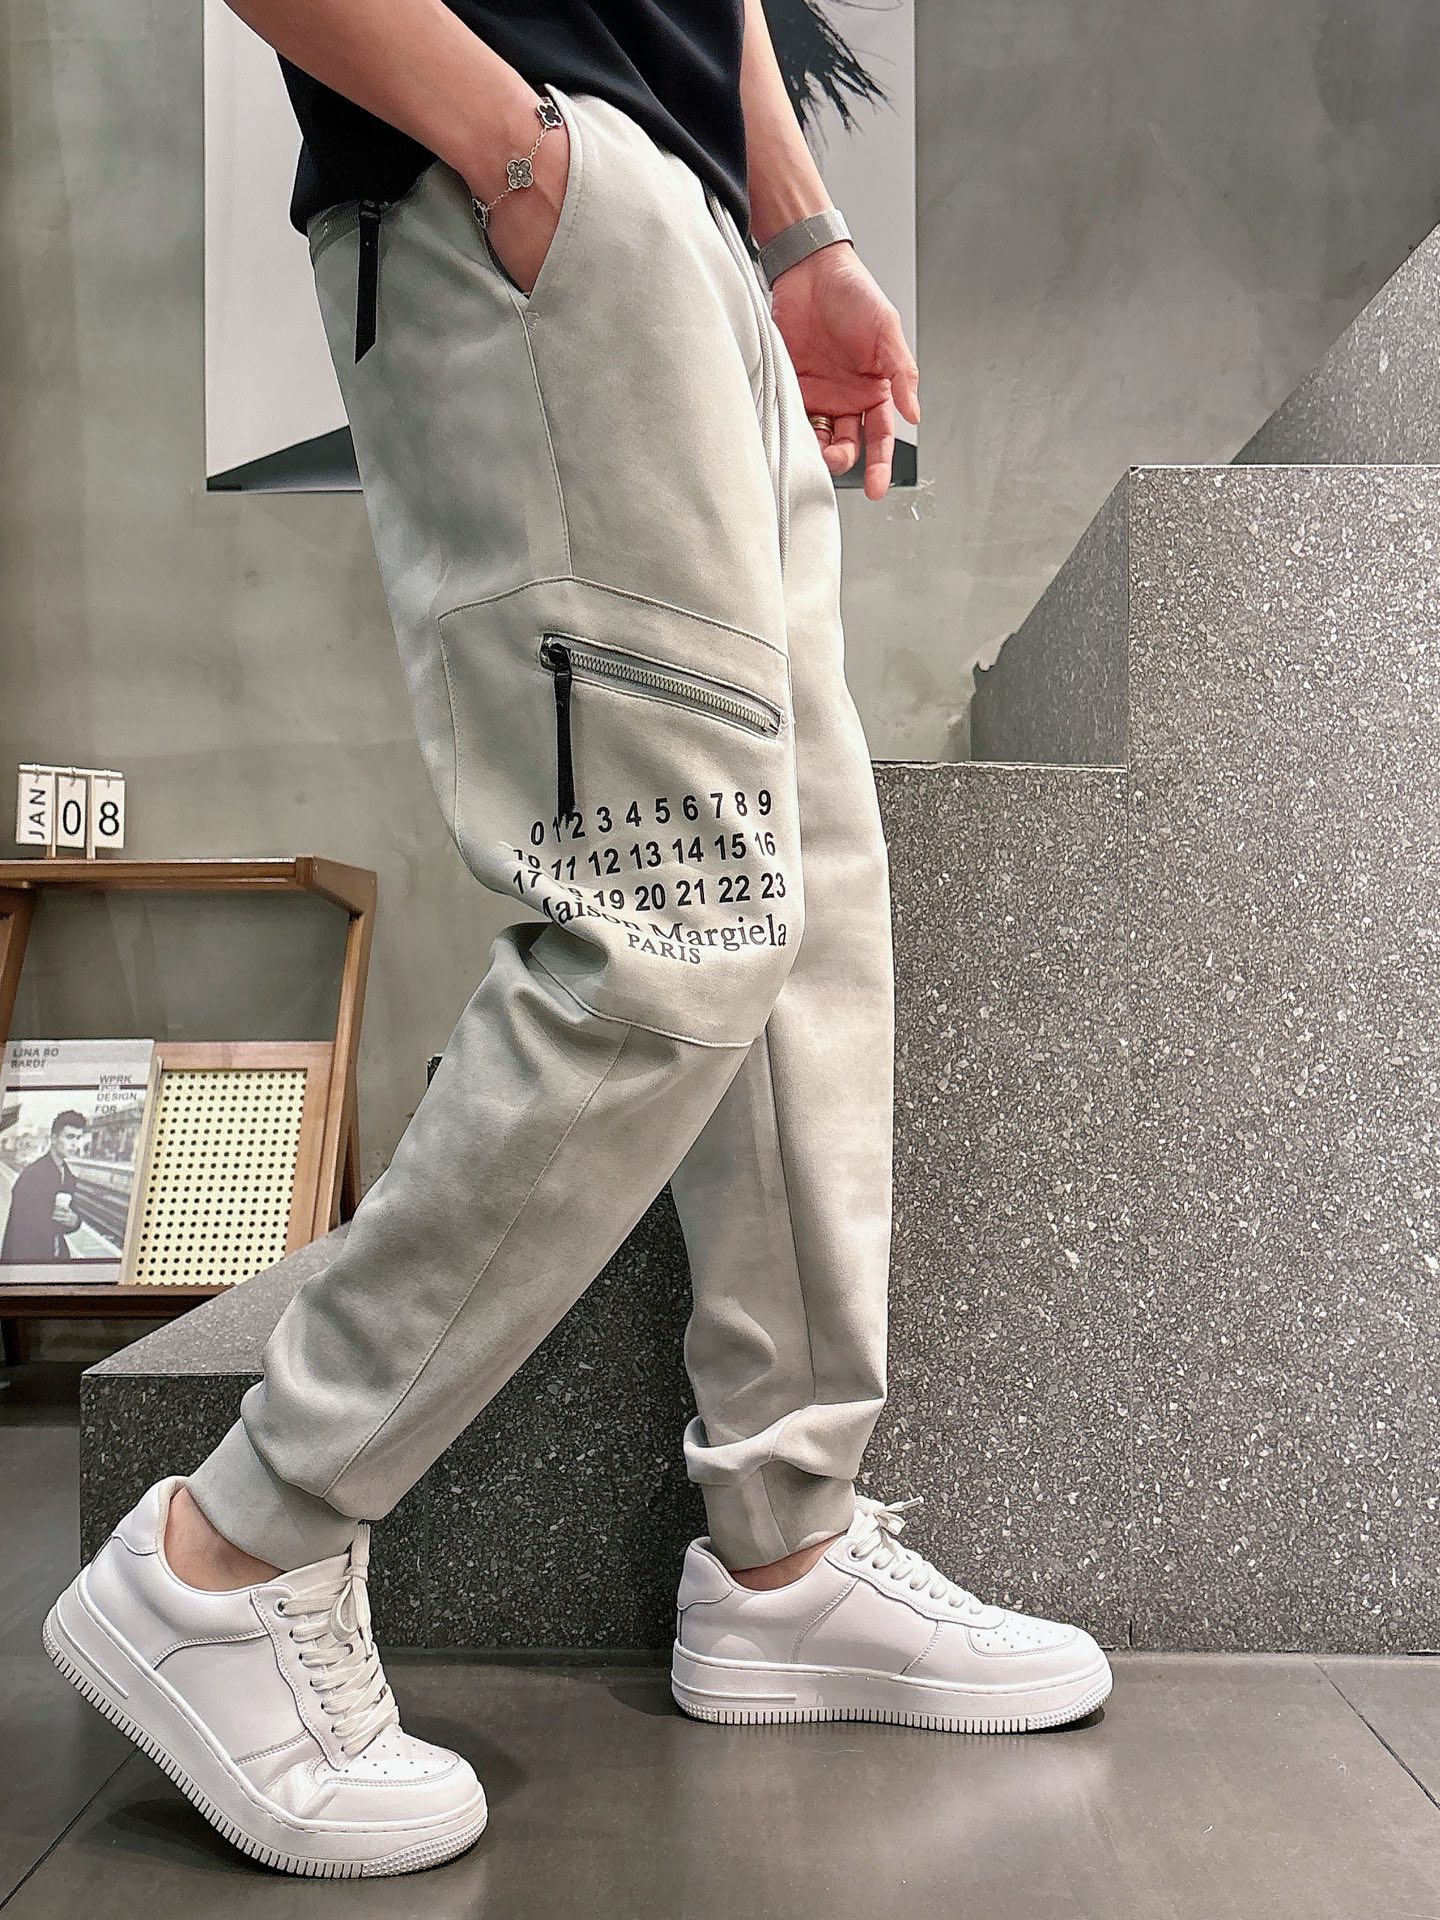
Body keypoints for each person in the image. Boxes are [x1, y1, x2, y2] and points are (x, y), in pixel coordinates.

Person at [44, 0, 1113, 1878]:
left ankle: (784, 1548)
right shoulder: (517, 170)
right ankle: (235, 1551)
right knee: (663, 932)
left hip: (673, 224)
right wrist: (509, 148)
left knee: (804, 914)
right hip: (517, 185)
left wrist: (796, 233)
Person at [1, 1111, 85, 1265]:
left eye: (78, 1138)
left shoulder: (67, 1175)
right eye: (70, 1137)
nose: (75, 1143)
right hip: (32, 1260)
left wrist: (74, 1221)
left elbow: (72, 1214)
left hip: (56, 1257)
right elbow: (18, 1233)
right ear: (54, 1139)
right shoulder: (32, 1176)